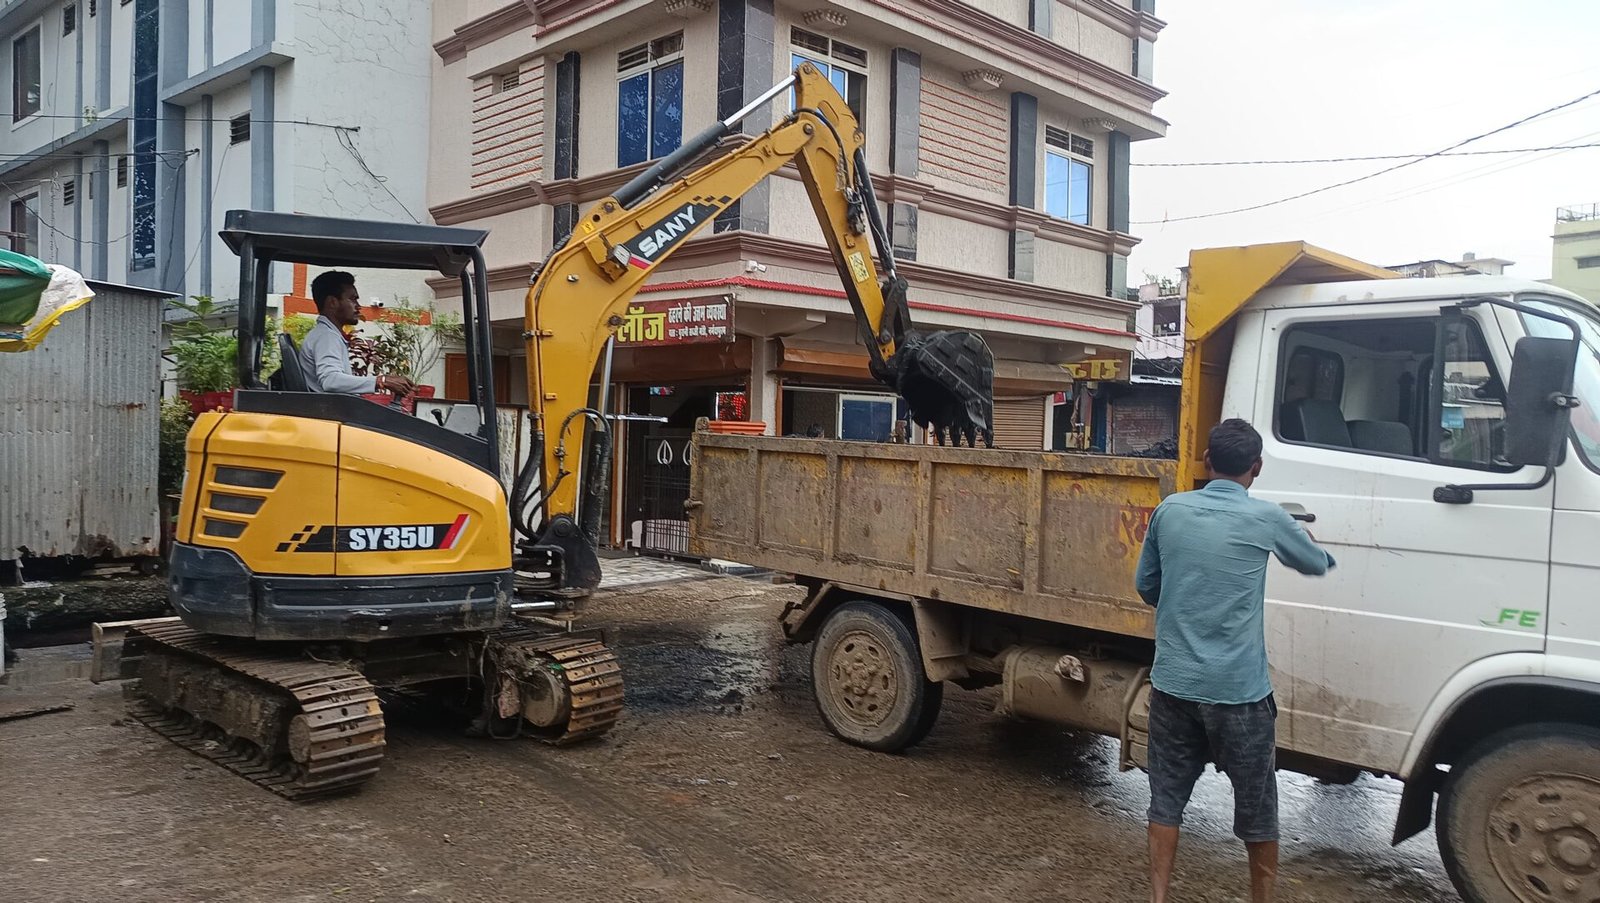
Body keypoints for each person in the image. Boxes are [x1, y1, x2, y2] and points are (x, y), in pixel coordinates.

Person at [1134, 418, 1335, 903]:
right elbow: (1315, 564)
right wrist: (1313, 545)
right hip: (1240, 695)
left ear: (1207, 462)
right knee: (1258, 809)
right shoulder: (1267, 518)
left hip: (1173, 686)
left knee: (1166, 802)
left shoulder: (1170, 510)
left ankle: (1158, 897)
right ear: (1256, 467)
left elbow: (1146, 586)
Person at [299, 270, 414, 397]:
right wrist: (380, 381)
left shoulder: (325, 333)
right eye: (352, 299)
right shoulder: (327, 336)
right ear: (332, 302)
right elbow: (330, 381)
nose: (358, 306)